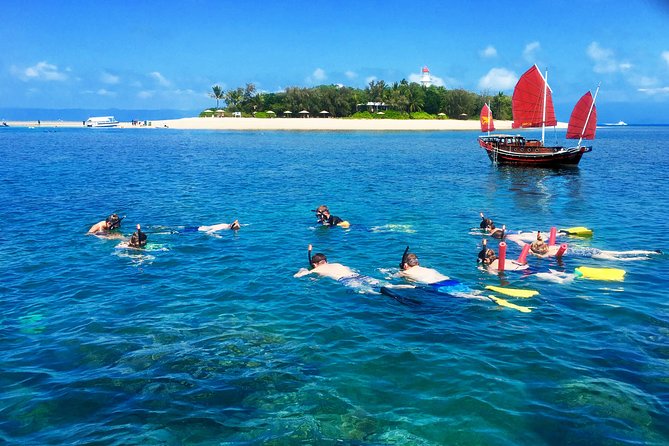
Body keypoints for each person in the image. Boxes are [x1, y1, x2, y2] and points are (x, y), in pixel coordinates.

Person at [294, 244, 384, 293]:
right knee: (387, 285)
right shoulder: (337, 264)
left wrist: (303, 270)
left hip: (345, 279)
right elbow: (350, 269)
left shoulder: (317, 269)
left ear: (315, 264)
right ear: (326, 261)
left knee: (373, 292)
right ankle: (396, 286)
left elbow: (297, 276)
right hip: (356, 275)